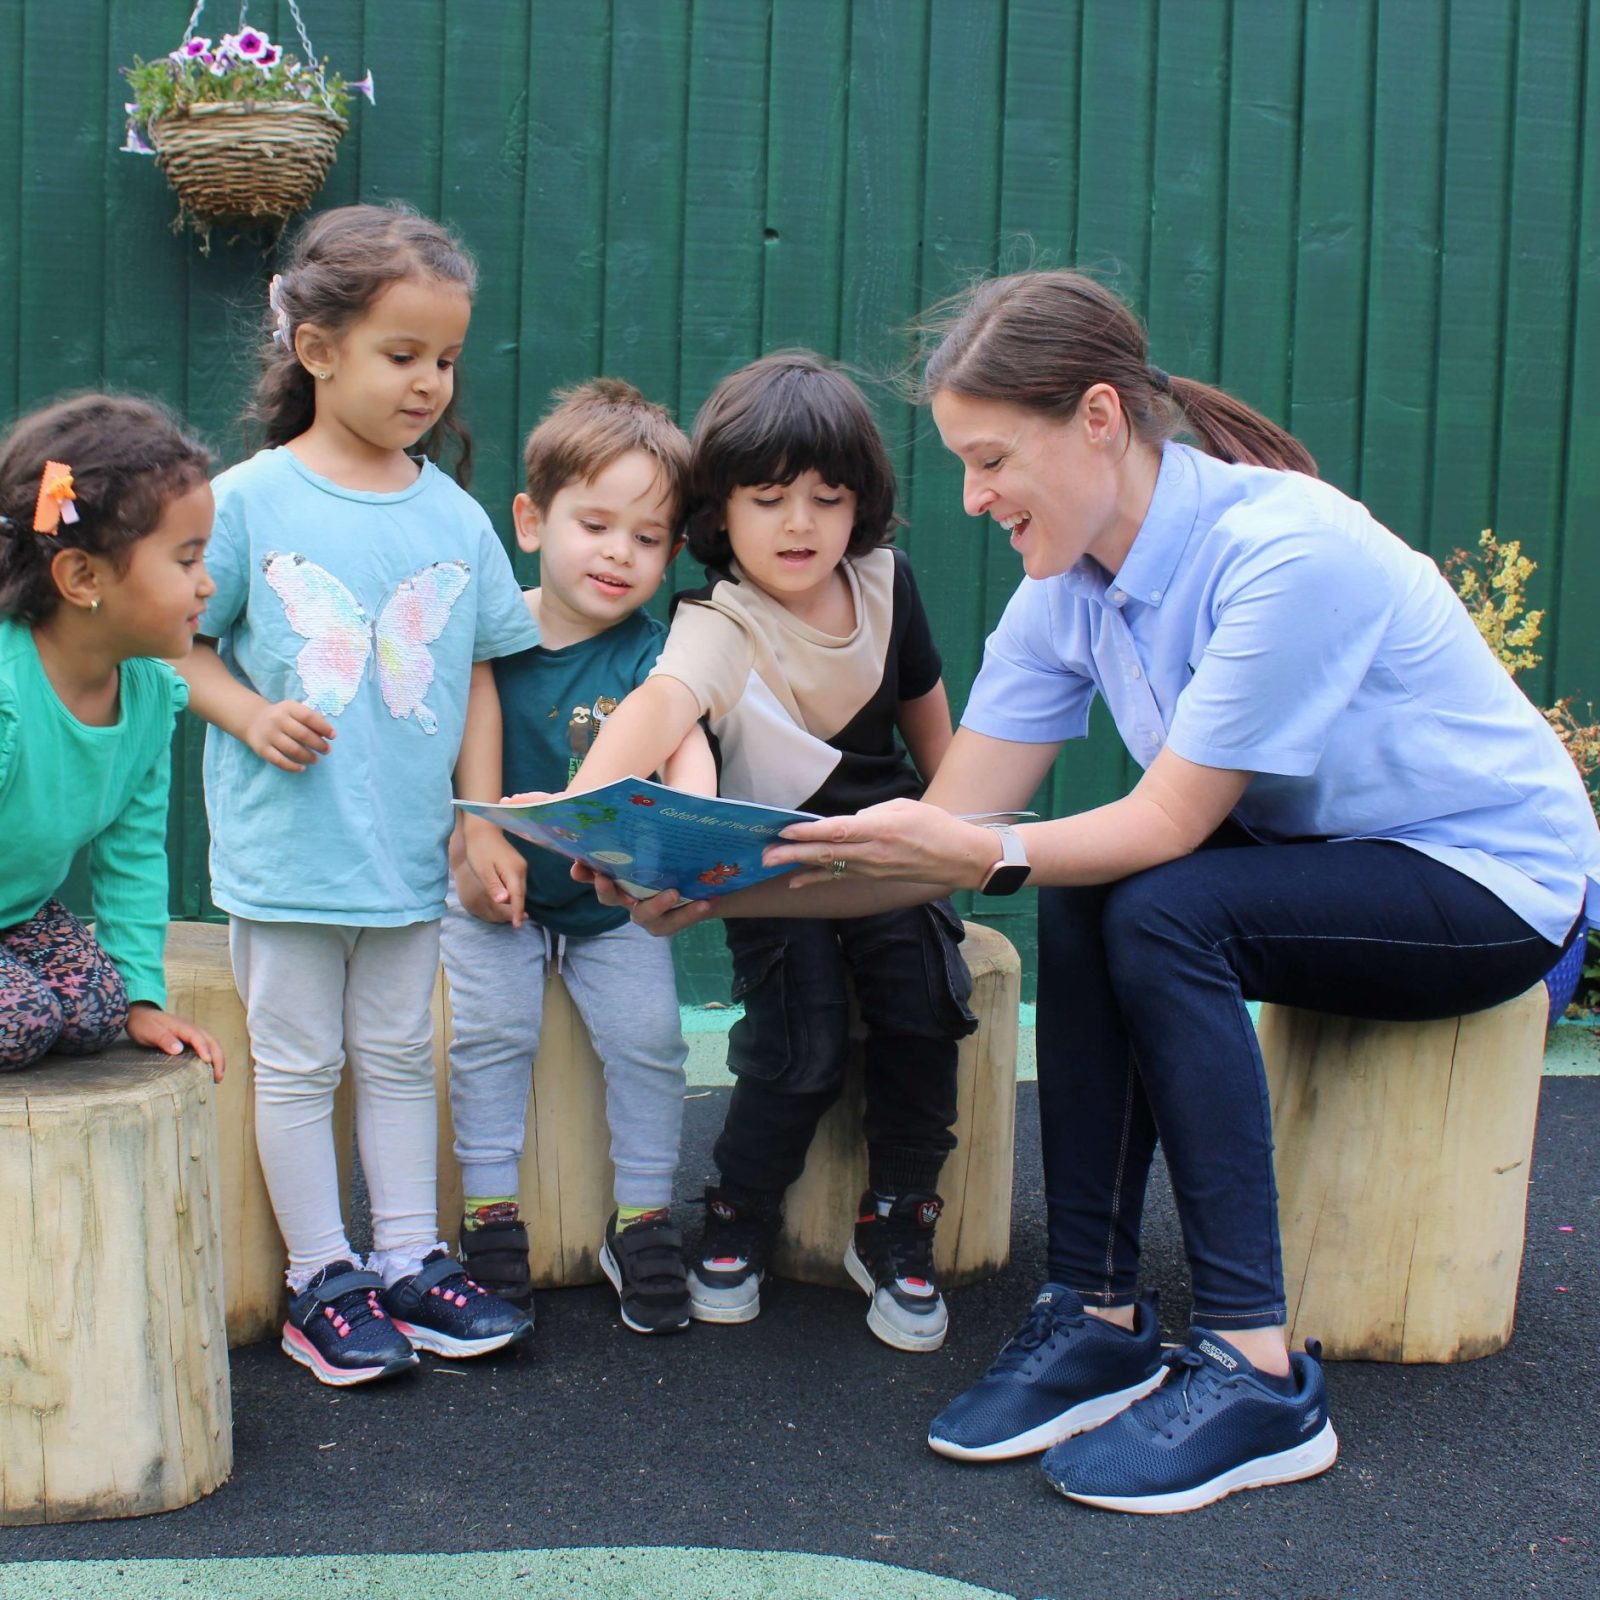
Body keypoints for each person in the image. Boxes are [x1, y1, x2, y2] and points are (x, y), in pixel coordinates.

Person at [579, 271, 1600, 1513]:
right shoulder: (1064, 593)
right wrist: (716, 896)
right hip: (1322, 864)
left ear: (1101, 420)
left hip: (1490, 884)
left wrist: (985, 854)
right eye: (961, 463)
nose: (972, 496)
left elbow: (1155, 825)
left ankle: (1255, 1369)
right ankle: (1097, 1312)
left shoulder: (1284, 552)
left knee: (1154, 893)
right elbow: (945, 828)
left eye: (993, 458)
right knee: (1088, 885)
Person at [550, 350, 977, 1354]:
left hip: (886, 858)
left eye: (827, 498)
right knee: (801, 1044)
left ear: (861, 503)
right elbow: (658, 703)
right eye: (770, 496)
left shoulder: (885, 584)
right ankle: (740, 1209)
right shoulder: (721, 619)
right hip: (776, 877)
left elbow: (927, 718)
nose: (799, 523)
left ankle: (900, 1218)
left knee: (921, 1012)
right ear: (721, 511)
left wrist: (958, 823)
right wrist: (585, 805)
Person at [176, 204, 538, 1388]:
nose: (430, 381)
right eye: (402, 354)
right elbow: (174, 643)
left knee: (393, 1052)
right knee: (298, 1063)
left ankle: (408, 1258)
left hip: (404, 851)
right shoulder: (247, 501)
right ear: (316, 349)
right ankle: (319, 1277)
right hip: (290, 850)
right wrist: (246, 711)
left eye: (444, 358)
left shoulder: (451, 514)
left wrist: (478, 818)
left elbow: (479, 672)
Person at [444, 378, 713, 1334]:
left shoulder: (657, 654)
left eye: (647, 539)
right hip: (494, 894)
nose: (618, 553)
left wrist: (689, 839)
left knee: (650, 1041)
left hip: (609, 905)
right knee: (490, 1033)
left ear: (673, 552)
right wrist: (464, 853)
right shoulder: (489, 638)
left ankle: (641, 1217)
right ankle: (490, 1214)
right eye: (595, 523)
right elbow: (438, 766)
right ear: (531, 519)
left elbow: (688, 756)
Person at [0, 394, 224, 1078]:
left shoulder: (152, 697)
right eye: (185, 562)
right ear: (82, 577)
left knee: (99, 1009)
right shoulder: (8, 698)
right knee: (24, 1020)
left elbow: (132, 854)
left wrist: (143, 997)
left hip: (19, 911)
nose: (208, 585)